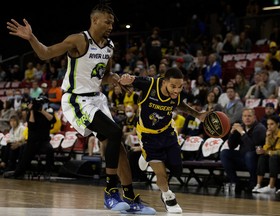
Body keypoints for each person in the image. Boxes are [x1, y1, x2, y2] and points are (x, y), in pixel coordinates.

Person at [6, 3, 155, 215]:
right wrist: (31, 38)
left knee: (118, 145)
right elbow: (45, 54)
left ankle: (130, 197)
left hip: (97, 99)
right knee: (114, 132)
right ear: (94, 20)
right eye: (107, 21)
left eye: (112, 22)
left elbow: (103, 75)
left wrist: (115, 79)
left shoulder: (109, 46)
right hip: (77, 100)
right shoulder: (79, 40)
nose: (111, 25)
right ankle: (111, 192)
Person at [119, 67, 208, 213]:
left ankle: (144, 155)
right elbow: (131, 79)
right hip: (148, 135)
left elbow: (179, 104)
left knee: (177, 169)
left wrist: (197, 115)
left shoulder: (176, 94)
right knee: (162, 174)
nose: (177, 90)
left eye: (180, 87)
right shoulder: (150, 85)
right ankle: (168, 196)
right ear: (164, 82)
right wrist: (126, 78)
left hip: (168, 132)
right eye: (173, 86)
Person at [3, 97, 56, 178]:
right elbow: (31, 125)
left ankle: (48, 171)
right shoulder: (31, 113)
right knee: (25, 155)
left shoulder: (48, 111)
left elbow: (53, 120)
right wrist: (31, 111)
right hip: (32, 141)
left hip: (43, 141)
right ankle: (18, 172)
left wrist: (41, 110)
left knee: (50, 150)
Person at [220, 108, 267, 192]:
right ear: (242, 118)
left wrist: (242, 133)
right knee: (224, 153)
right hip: (243, 158)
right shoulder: (241, 127)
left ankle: (253, 182)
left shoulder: (260, 128)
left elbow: (252, 148)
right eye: (245, 116)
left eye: (249, 116)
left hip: (256, 159)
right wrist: (232, 132)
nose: (247, 118)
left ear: (254, 117)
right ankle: (235, 182)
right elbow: (231, 146)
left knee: (249, 154)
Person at [252, 115, 280, 193]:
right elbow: (266, 149)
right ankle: (258, 185)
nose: (269, 126)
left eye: (272, 124)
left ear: (277, 124)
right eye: (268, 124)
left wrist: (268, 152)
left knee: (273, 157)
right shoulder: (269, 134)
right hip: (273, 157)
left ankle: (271, 186)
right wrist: (267, 138)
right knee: (262, 157)